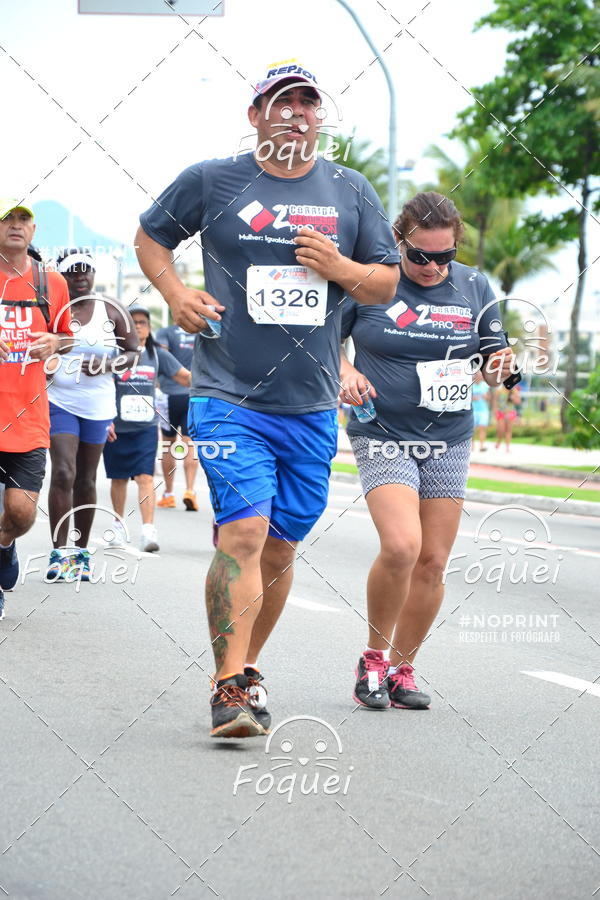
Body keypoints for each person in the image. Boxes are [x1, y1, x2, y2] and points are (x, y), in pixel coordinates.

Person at [135, 60, 399, 738]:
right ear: (256, 115)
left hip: (310, 406)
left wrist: (340, 268)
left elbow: (386, 286)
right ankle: (227, 687)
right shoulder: (213, 178)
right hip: (228, 394)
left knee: (280, 550)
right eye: (282, 102)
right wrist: (174, 294)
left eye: (309, 104)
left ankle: (247, 667)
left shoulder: (350, 189)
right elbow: (151, 237)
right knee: (244, 532)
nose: (296, 113)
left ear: (321, 118)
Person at [339, 191, 514, 710]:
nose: (433, 267)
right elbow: (327, 344)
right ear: (398, 241)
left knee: (433, 561)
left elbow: (491, 359)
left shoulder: (476, 287)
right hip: (383, 431)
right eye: (420, 255)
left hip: (448, 437)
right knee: (401, 546)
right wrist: (346, 372)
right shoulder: (372, 281)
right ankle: (372, 661)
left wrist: (499, 367)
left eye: (445, 256)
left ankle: (402, 669)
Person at [46, 248, 139, 581]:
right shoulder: (52, 310)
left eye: (86, 270)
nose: (81, 277)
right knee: (63, 473)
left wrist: (107, 364)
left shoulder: (112, 309)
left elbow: (133, 352)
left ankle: (80, 553)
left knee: (86, 479)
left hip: (97, 405)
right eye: (73, 272)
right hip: (59, 400)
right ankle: (59, 555)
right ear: (60, 276)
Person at [0, 200, 72, 618]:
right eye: (7, 218)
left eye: (23, 219)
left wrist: (54, 343)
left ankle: (6, 544)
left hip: (28, 420)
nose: (15, 226)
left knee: (22, 513)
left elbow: (68, 337)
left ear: (33, 228)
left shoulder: (52, 282)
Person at [103, 305, 191, 553]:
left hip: (145, 428)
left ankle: (147, 530)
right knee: (118, 479)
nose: (138, 326)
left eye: (143, 322)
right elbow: (102, 385)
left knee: (146, 477)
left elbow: (185, 378)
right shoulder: (114, 353)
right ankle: (118, 525)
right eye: (133, 322)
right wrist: (104, 419)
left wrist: (215, 383)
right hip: (116, 428)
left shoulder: (157, 354)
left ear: (149, 327)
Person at [155, 321, 199, 511]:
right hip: (193, 393)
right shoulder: (200, 334)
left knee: (168, 445)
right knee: (189, 444)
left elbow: (160, 357)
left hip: (169, 394)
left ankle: (169, 493)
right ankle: (190, 490)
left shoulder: (165, 333)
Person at [495, 384, 521, 451]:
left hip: (510, 412)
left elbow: (518, 402)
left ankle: (507, 447)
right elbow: (495, 401)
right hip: (501, 412)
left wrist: (514, 398)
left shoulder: (514, 391)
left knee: (508, 430)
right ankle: (499, 440)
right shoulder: (499, 390)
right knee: (501, 429)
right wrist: (495, 410)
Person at [471, 370, 492, 452]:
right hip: (473, 410)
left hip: (483, 410)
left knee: (482, 427)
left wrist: (486, 397)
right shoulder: (471, 386)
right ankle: (472, 446)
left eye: (480, 375)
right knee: (472, 429)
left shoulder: (485, 386)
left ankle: (482, 445)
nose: (478, 377)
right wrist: (473, 398)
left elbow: (489, 398)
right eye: (476, 375)